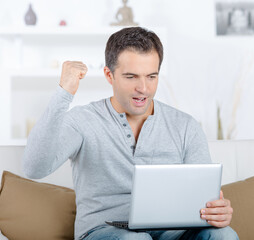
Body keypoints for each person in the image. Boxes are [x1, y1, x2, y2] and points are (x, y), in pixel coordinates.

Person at [22, 27, 239, 240]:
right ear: (109, 75)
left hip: (172, 232)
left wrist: (216, 211)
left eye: (151, 77)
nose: (143, 88)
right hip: (102, 231)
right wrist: (64, 93)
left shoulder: (185, 126)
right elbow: (34, 167)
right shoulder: (83, 120)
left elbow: (202, 197)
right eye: (131, 77)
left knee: (223, 235)